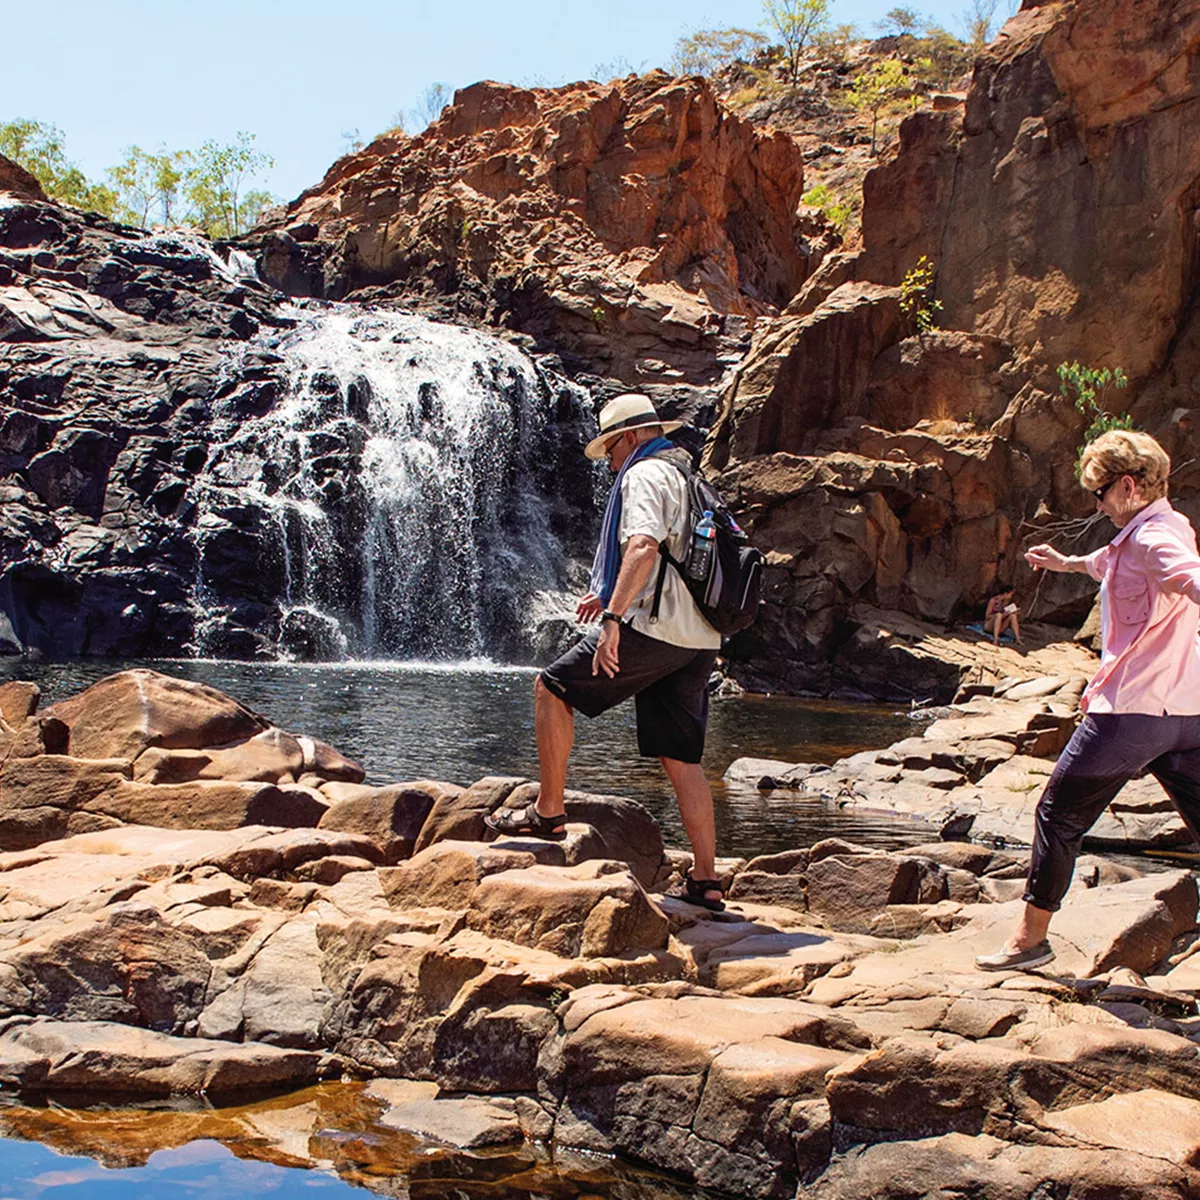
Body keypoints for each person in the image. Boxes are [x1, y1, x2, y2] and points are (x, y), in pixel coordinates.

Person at [485, 393, 727, 910]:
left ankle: (548, 813)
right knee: (681, 757)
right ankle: (707, 881)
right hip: (700, 636)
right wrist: (612, 591)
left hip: (654, 628)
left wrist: (615, 618)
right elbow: (679, 555)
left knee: (551, 687)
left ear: (628, 438)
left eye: (610, 451)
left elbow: (643, 546)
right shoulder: (689, 476)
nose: (610, 464)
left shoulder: (644, 475)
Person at [977, 429, 1200, 971]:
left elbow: (1187, 577)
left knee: (1057, 813)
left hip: (1130, 714)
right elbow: (1109, 561)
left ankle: (1029, 943)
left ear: (1127, 486)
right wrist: (1065, 563)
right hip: (1186, 713)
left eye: (1099, 493)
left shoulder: (1153, 539)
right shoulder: (1161, 527)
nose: (1096, 504)